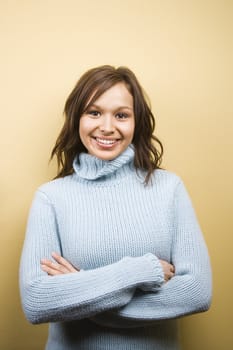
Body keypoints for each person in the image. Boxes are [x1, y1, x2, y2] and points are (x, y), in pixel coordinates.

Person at [19, 65, 212, 350]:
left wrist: (81, 291)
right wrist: (140, 271)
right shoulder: (51, 197)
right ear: (76, 119)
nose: (107, 127)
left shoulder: (169, 188)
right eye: (94, 112)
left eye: (121, 115)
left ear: (137, 122)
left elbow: (196, 293)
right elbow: (37, 301)